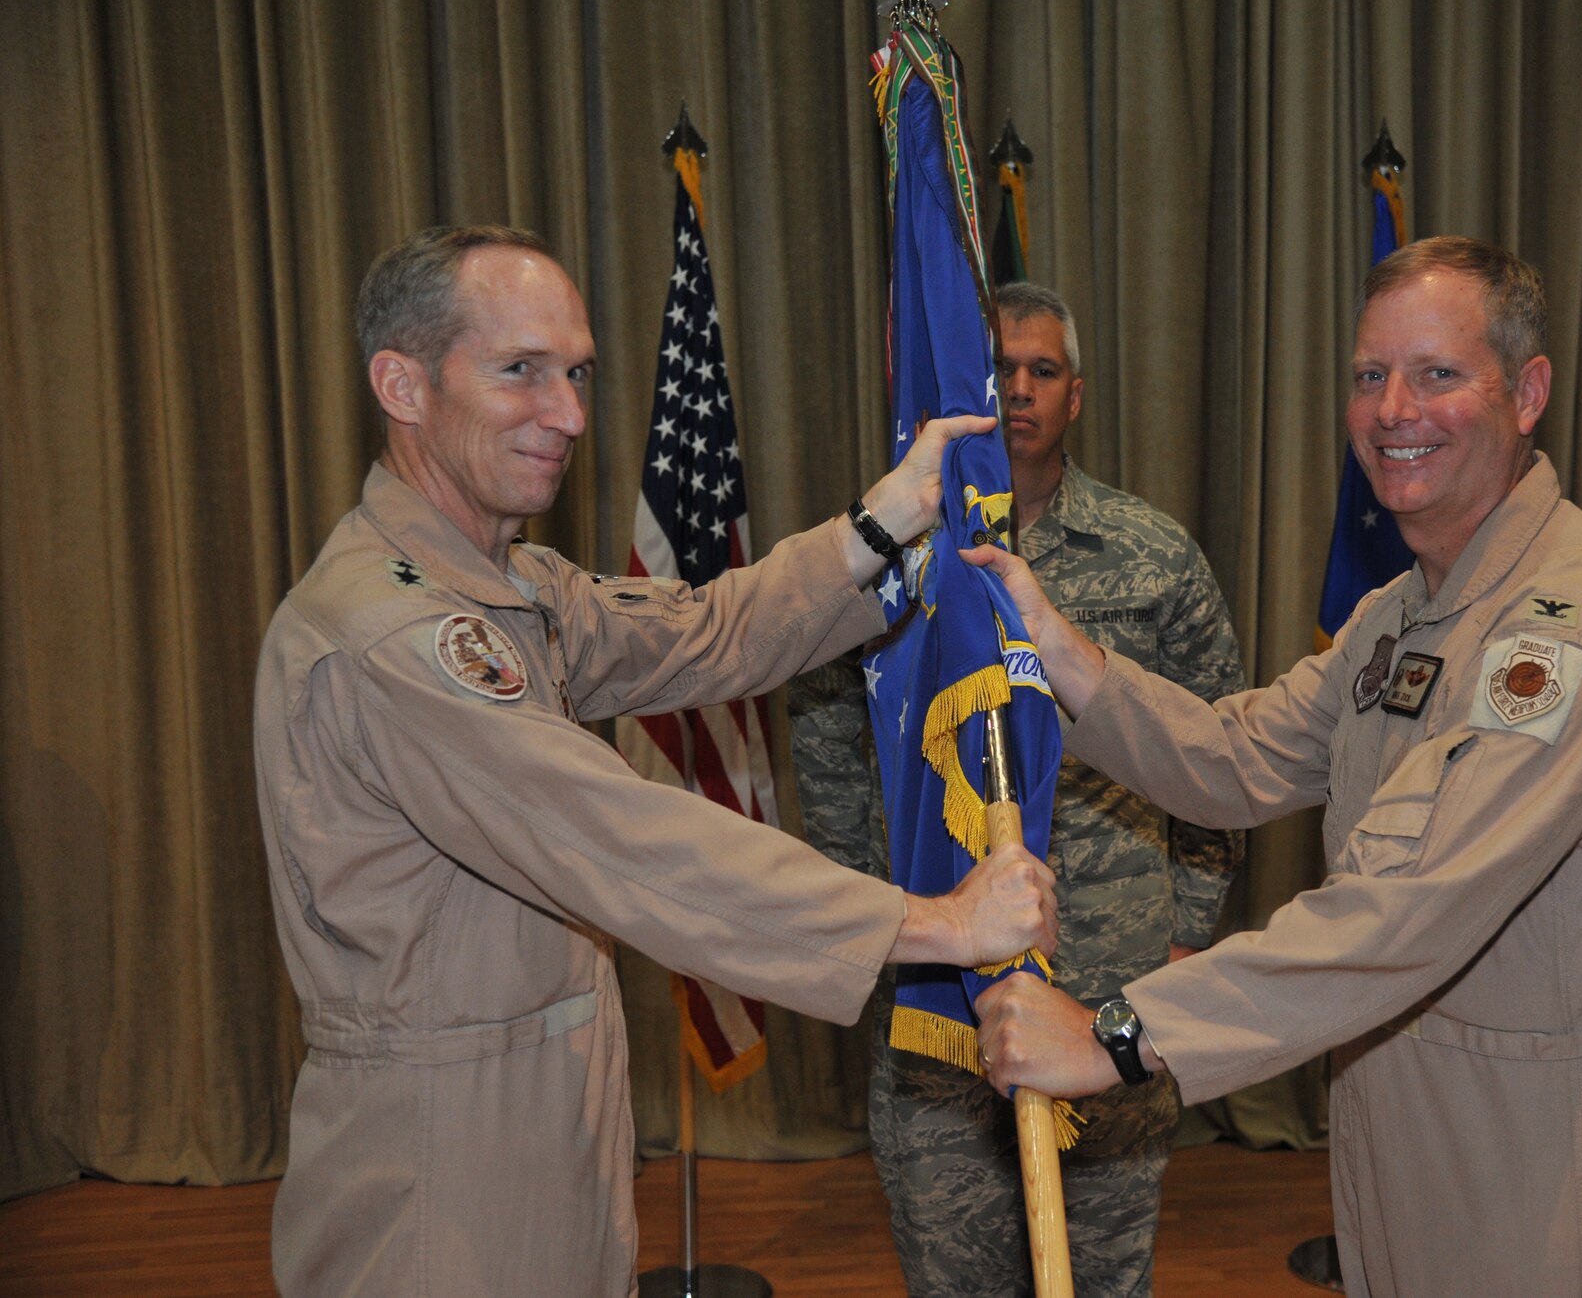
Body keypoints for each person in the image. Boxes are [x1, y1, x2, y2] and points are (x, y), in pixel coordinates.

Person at [251, 225, 1058, 1298]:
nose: (572, 414)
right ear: (401, 383)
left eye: (577, 372)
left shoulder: (505, 582)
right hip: (442, 1155)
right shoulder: (390, 632)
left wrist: (884, 520)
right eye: (520, 372)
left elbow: (698, 630)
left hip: (560, 1112)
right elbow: (620, 834)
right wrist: (936, 922)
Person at [972, 238, 1582, 1296]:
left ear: (1526, 393)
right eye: (1369, 375)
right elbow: (1231, 757)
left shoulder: (1573, 629)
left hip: (1551, 1161)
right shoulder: (1399, 613)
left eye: (1436, 373)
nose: (1390, 408)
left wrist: (1119, 1035)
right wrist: (1064, 656)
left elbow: (1404, 907)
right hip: (1395, 1127)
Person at [789, 281, 1246, 1297]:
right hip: (941, 1000)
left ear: (1074, 396)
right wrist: (874, 916)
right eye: (997, 371)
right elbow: (821, 731)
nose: (1018, 390)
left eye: (1042, 370)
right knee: (954, 1273)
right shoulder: (885, 558)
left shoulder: (1151, 553)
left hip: (1107, 981)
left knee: (1105, 1274)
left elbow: (1218, 744)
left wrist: (1189, 928)